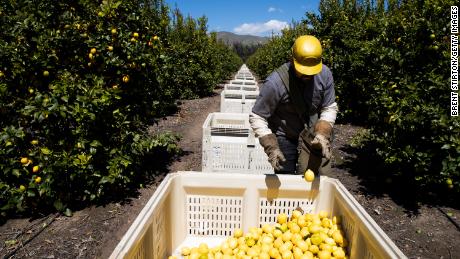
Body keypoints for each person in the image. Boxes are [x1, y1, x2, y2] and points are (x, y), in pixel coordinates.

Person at [249, 35, 338, 174]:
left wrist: (323, 133)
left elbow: (329, 107)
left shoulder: (325, 74)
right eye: (302, 71)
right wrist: (271, 146)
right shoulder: (275, 83)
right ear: (292, 59)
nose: (307, 75)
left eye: (312, 71)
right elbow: (257, 116)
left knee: (316, 177)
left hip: (312, 132)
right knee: (286, 179)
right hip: (285, 133)